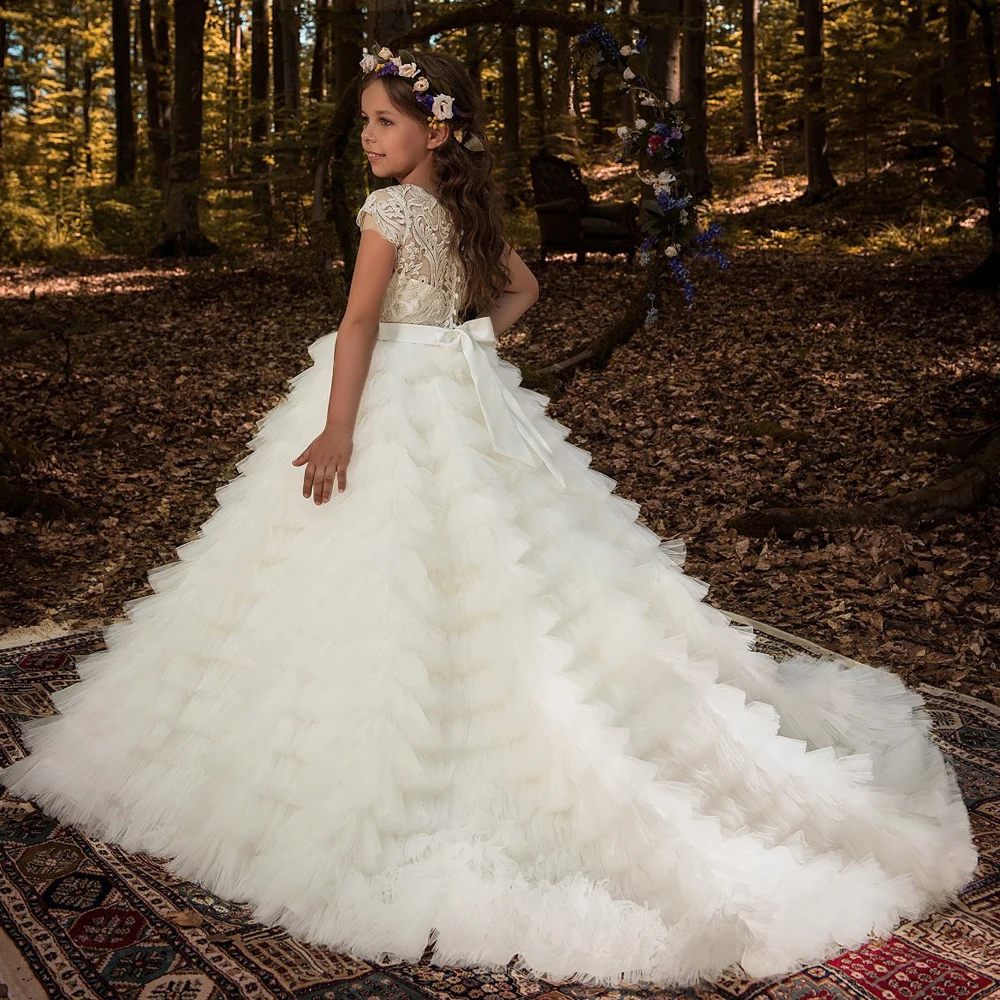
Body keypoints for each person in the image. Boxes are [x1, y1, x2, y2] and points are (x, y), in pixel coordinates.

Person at [0, 44, 978, 990]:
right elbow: (524, 289)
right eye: (366, 125)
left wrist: (338, 429)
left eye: (385, 123)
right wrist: (466, 346)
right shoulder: (459, 206)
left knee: (384, 568)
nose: (369, 139)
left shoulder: (388, 208)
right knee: (496, 565)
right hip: (463, 397)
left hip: (389, 399)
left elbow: (354, 324)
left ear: (435, 127)